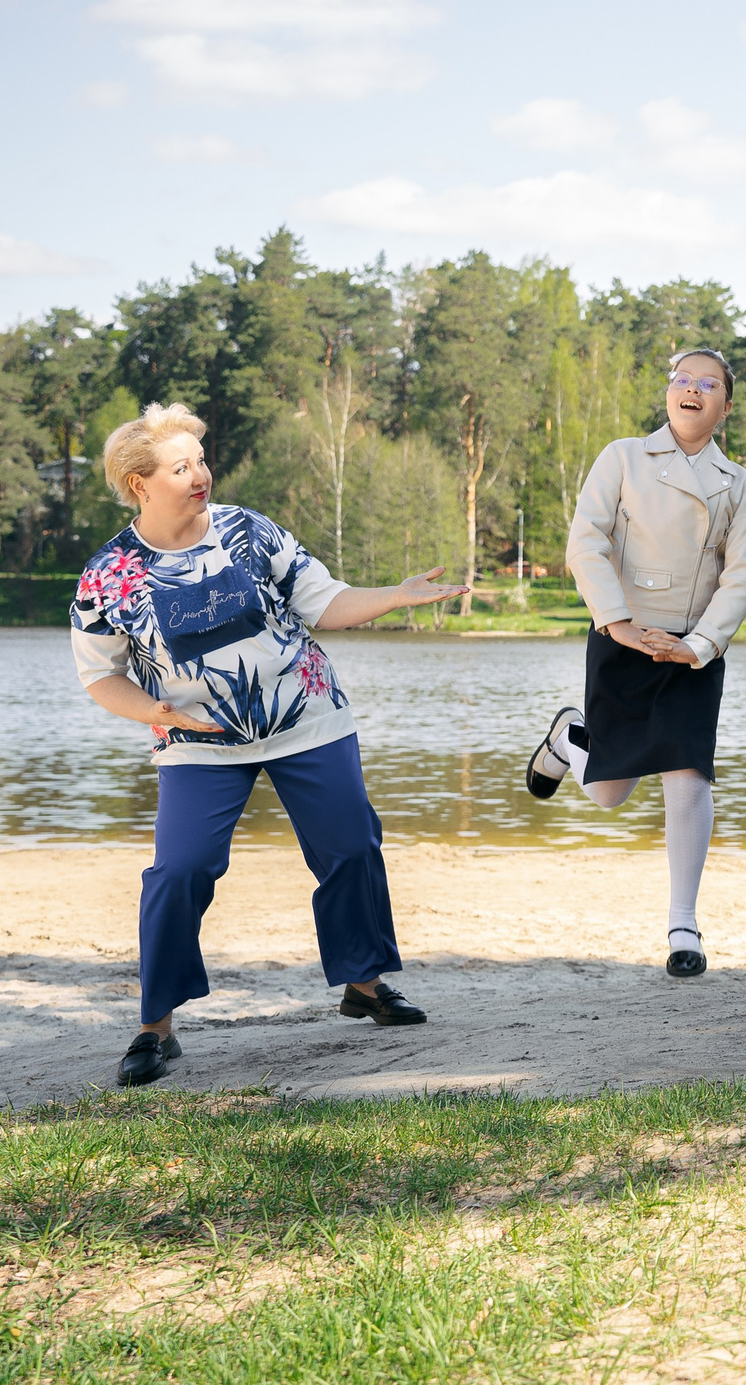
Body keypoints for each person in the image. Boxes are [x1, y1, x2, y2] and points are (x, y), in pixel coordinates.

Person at [69, 402, 465, 1088]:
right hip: (197, 741)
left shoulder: (248, 531)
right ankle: (155, 1026)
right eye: (181, 465)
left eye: (200, 459)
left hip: (307, 716)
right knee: (180, 870)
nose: (201, 474)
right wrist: (156, 710)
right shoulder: (111, 573)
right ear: (140, 483)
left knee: (350, 846)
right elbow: (100, 674)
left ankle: (365, 985)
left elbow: (324, 601)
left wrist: (396, 596)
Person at [523, 349, 746, 977]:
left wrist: (701, 645)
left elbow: (742, 576)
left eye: (708, 384)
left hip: (691, 652)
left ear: (724, 406)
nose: (692, 390)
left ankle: (684, 926)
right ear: (669, 392)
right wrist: (618, 621)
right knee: (606, 794)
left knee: (688, 776)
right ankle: (567, 739)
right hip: (623, 635)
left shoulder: (737, 484)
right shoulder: (622, 456)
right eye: (682, 380)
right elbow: (586, 540)